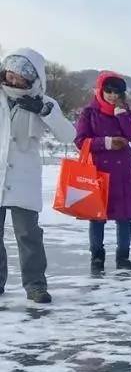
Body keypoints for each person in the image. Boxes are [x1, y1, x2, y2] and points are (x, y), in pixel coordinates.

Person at [0, 48, 76, 303]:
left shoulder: (44, 102)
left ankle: (35, 285)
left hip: (24, 178)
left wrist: (45, 112)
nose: (12, 80)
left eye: (19, 76)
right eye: (9, 74)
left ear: (32, 77)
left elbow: (68, 135)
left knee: (28, 235)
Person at [73, 71, 131, 274]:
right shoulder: (89, 112)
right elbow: (80, 141)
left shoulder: (123, 111)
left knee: (125, 216)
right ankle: (97, 256)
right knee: (98, 216)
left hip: (123, 171)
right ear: (100, 90)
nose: (113, 96)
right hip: (99, 171)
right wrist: (107, 143)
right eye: (109, 91)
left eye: (117, 92)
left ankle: (123, 257)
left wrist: (122, 115)